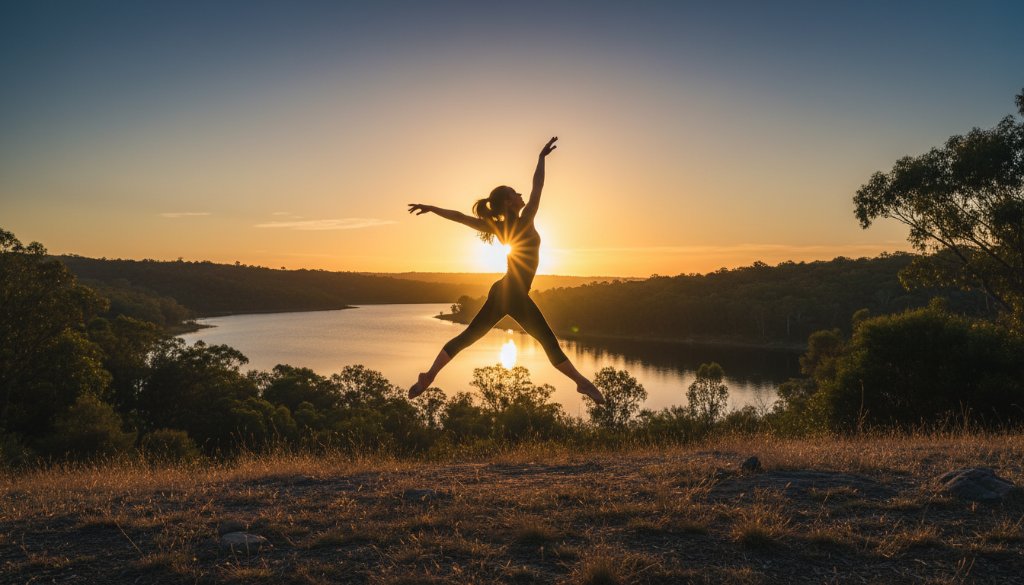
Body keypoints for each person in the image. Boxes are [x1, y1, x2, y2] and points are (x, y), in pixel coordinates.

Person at [407, 137, 605, 404]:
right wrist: (541, 158)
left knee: (469, 337)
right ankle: (583, 384)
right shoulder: (526, 219)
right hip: (514, 293)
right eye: (515, 192)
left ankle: (429, 375)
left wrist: (432, 208)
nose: (521, 194)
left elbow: (460, 218)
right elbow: (538, 186)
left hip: (505, 290)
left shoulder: (500, 228)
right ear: (511, 202)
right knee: (547, 342)